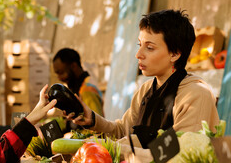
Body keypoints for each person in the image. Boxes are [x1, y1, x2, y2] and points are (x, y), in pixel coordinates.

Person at [66, 9, 219, 147]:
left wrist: (125, 147)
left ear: (175, 54)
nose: (138, 54)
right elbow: (122, 130)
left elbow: (179, 151)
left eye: (150, 48)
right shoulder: (146, 89)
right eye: (139, 45)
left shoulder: (196, 94)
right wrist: (93, 120)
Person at [53, 48, 104, 117]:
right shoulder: (78, 86)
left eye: (61, 73)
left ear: (74, 66)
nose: (59, 78)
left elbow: (96, 125)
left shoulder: (87, 90)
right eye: (57, 74)